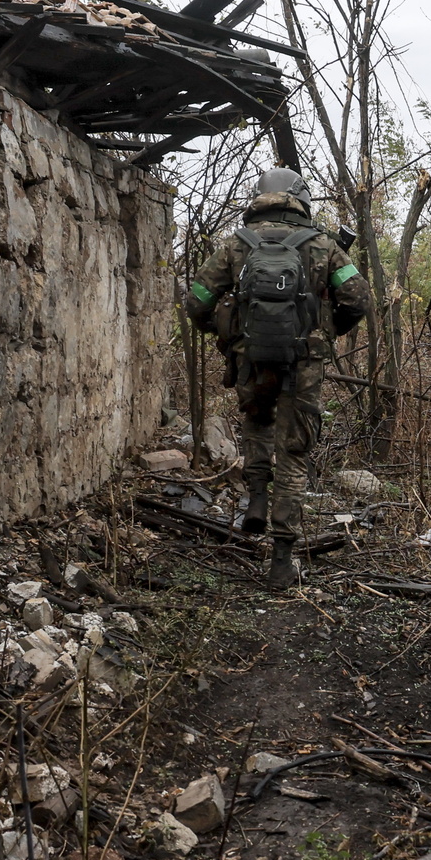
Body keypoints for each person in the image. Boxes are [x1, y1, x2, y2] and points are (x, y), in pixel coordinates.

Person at [182, 169, 371, 588]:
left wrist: (228, 335)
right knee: (293, 451)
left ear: (260, 198)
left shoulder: (236, 244)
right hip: (304, 362)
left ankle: (256, 500)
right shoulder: (323, 245)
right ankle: (282, 559)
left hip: (251, 359)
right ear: (301, 200)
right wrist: (325, 332)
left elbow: (196, 302)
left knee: (257, 424)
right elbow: (358, 299)